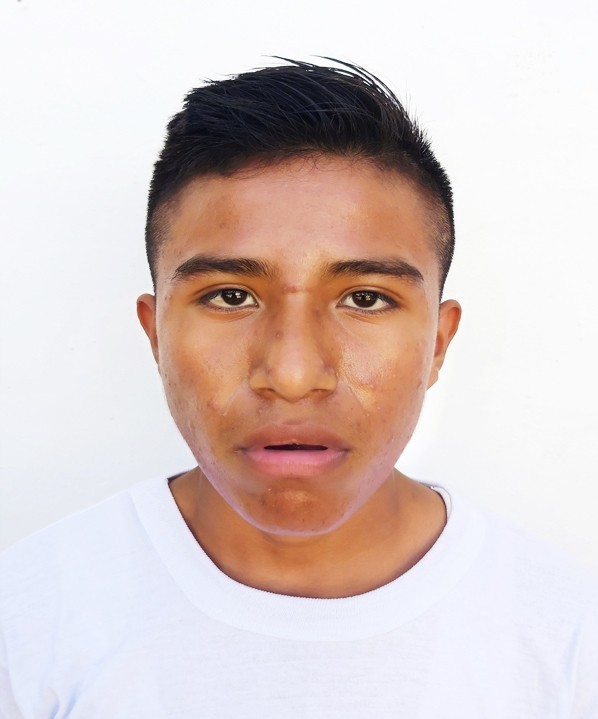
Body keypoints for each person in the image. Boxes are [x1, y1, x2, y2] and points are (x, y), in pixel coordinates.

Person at [1, 59, 596, 718]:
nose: (291, 374)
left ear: (437, 342)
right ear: (156, 334)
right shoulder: (27, 625)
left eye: (365, 298)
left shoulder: (569, 644)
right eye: (230, 296)